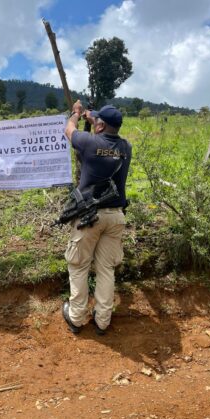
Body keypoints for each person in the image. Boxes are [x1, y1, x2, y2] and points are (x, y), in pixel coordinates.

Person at [62, 100, 132, 335]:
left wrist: (76, 113)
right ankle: (103, 320)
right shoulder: (126, 147)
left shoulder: (89, 142)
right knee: (106, 269)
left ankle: (76, 317)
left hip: (89, 217)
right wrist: (94, 118)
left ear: (100, 126)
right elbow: (105, 136)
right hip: (115, 217)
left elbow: (68, 130)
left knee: (79, 266)